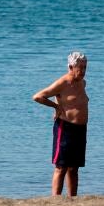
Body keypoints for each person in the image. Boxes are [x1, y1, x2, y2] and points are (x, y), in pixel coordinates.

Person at [33, 51, 89, 197]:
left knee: (74, 168)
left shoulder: (82, 83)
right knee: (61, 166)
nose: (83, 71)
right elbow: (38, 97)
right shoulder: (62, 83)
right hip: (65, 129)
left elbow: (73, 100)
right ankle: (55, 200)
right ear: (70, 67)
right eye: (80, 68)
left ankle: (73, 199)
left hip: (80, 129)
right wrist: (56, 107)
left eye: (85, 67)